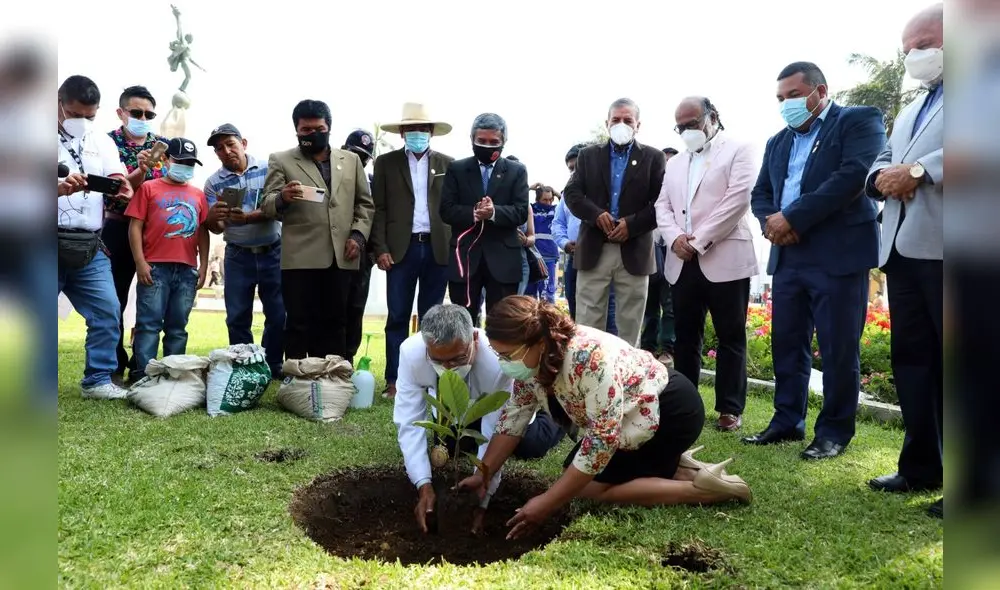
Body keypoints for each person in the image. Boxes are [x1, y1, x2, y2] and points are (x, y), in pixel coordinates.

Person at [457, 296, 751, 538]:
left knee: (587, 487)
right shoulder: (532, 363)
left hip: (670, 411)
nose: (504, 364)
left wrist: (547, 502)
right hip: (630, 415)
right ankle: (675, 466)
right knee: (574, 472)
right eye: (499, 355)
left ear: (537, 342)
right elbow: (513, 420)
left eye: (507, 355)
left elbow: (600, 442)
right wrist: (483, 474)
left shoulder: (588, 357)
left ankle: (704, 490)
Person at [746, 62, 885, 459]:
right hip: (789, 253)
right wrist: (772, 223)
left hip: (838, 253)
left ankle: (834, 432)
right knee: (787, 343)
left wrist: (793, 217)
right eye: (780, 98)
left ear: (820, 92)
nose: (785, 104)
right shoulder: (778, 141)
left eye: (793, 95)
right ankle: (787, 420)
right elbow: (761, 193)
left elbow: (853, 176)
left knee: (838, 347)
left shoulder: (858, 121)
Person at [864, 3, 943, 518]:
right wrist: (880, 178)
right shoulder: (915, 106)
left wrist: (919, 170)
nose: (913, 56)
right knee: (913, 362)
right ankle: (921, 467)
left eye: (924, 45)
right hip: (902, 247)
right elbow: (882, 160)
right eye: (907, 49)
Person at [393, 303, 568, 534]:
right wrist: (423, 484)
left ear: (474, 339)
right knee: (454, 444)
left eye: (457, 359)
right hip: (459, 412)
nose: (447, 368)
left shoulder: (498, 361)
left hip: (504, 409)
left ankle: (553, 414)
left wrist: (484, 492)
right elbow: (409, 421)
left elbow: (500, 428)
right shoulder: (411, 353)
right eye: (438, 361)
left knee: (529, 445)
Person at [655, 98, 759, 432]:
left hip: (724, 256)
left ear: (712, 117)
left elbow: (738, 199)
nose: (687, 131)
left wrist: (698, 241)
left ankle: (730, 408)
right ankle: (685, 402)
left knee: (730, 335)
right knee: (686, 336)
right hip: (681, 260)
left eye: (692, 123)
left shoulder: (739, 150)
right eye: (680, 127)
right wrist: (675, 238)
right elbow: (662, 206)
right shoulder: (674, 163)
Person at [261, 100, 374, 363]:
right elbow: (267, 204)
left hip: (342, 256)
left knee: (337, 322)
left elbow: (365, 204)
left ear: (329, 128)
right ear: (296, 130)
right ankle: (297, 377)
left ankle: (332, 376)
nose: (313, 134)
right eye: (306, 130)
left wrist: (358, 235)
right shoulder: (281, 160)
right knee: (299, 323)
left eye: (319, 129)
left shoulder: (351, 160)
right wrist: (282, 198)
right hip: (300, 258)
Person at [564, 98, 666, 347]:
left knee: (630, 326)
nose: (621, 124)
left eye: (628, 120)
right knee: (587, 324)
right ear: (607, 123)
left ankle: (627, 371)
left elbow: (661, 202)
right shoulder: (587, 156)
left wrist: (631, 225)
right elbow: (572, 194)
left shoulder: (653, 157)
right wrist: (596, 214)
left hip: (635, 249)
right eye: (616, 120)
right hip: (594, 248)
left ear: (638, 125)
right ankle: (588, 369)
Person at [57, 75, 133, 399]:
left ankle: (98, 380)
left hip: (90, 244)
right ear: (58, 103)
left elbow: (116, 176)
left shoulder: (102, 140)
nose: (82, 121)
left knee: (107, 309)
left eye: (90, 116)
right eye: (75, 114)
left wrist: (122, 187)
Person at [372, 104, 454, 398]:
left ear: (431, 132)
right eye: (411, 129)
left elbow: (453, 209)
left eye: (422, 129)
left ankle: (427, 380)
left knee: (432, 320)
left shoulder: (448, 164)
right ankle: (394, 380)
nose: (417, 134)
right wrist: (380, 248)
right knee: (397, 316)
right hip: (399, 250)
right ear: (402, 133)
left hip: (437, 249)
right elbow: (378, 209)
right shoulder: (386, 163)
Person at [203, 123, 286, 378]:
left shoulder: (268, 168)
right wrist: (213, 217)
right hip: (237, 255)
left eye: (231, 144)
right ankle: (245, 367)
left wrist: (249, 217)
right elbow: (216, 228)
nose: (226, 151)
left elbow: (278, 207)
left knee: (278, 313)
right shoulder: (213, 183)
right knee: (237, 315)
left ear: (244, 144)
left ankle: (272, 365)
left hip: (273, 250)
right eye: (219, 148)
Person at [125, 138, 209, 381]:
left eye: (190, 163)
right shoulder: (148, 188)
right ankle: (144, 376)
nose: (185, 166)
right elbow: (135, 226)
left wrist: (203, 265)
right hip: (155, 268)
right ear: (166, 159)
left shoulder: (198, 194)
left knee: (178, 327)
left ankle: (174, 377)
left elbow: (203, 231)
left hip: (187, 270)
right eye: (180, 161)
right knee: (148, 325)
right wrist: (140, 262)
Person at [106, 85, 169, 384]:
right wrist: (141, 170)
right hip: (118, 228)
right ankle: (113, 364)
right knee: (112, 300)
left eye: (149, 114)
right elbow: (112, 193)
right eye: (136, 112)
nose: (143, 118)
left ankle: (143, 365)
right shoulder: (107, 144)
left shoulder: (162, 146)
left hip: (154, 232)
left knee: (152, 301)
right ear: (121, 113)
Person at [440, 112, 529, 325]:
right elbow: (446, 210)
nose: (487, 146)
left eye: (493, 142)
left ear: (504, 141)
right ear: (472, 139)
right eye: (481, 141)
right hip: (465, 259)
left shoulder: (516, 171)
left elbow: (520, 212)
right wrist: (473, 213)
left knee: (503, 324)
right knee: (462, 325)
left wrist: (494, 212)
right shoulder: (457, 169)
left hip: (504, 261)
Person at [553, 143, 617, 333]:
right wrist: (565, 243)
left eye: (578, 167)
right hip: (574, 258)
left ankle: (610, 351)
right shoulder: (567, 195)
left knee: (608, 313)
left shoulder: (608, 191)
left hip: (604, 257)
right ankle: (582, 350)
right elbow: (557, 224)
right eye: (571, 168)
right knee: (576, 312)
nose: (574, 172)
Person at [341, 129, 377, 365]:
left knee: (355, 308)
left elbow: (377, 216)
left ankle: (348, 360)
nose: (358, 160)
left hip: (362, 257)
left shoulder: (373, 182)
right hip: (332, 253)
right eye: (354, 153)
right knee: (331, 307)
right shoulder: (328, 175)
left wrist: (371, 254)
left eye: (364, 157)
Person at [641, 146, 679, 364]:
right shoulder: (650, 188)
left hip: (673, 249)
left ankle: (668, 349)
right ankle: (647, 348)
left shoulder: (683, 188)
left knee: (670, 304)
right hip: (651, 248)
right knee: (650, 304)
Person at [527, 183, 560, 302]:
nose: (548, 202)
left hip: (549, 257)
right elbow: (518, 197)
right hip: (532, 256)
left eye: (550, 199)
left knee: (547, 295)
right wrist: (529, 188)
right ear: (537, 199)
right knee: (529, 295)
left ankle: (548, 314)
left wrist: (555, 193)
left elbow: (568, 203)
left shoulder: (555, 210)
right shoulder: (531, 209)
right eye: (545, 200)